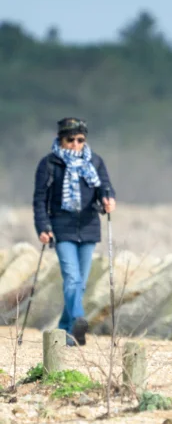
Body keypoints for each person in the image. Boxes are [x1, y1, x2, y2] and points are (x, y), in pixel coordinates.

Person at [32, 117, 116, 346]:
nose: (76, 144)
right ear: (61, 140)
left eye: (80, 140)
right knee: (71, 278)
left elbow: (105, 187)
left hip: (89, 227)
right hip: (62, 228)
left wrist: (108, 199)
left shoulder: (95, 162)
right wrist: (43, 227)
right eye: (71, 140)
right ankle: (79, 318)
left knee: (82, 283)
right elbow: (40, 200)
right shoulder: (49, 164)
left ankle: (65, 331)